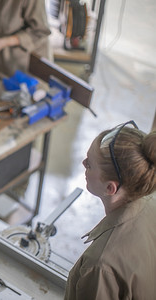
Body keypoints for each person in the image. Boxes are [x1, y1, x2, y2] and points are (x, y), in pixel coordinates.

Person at [65, 121, 156, 299]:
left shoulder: (100, 265)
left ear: (110, 189)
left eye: (89, 165)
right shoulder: (150, 201)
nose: (83, 163)